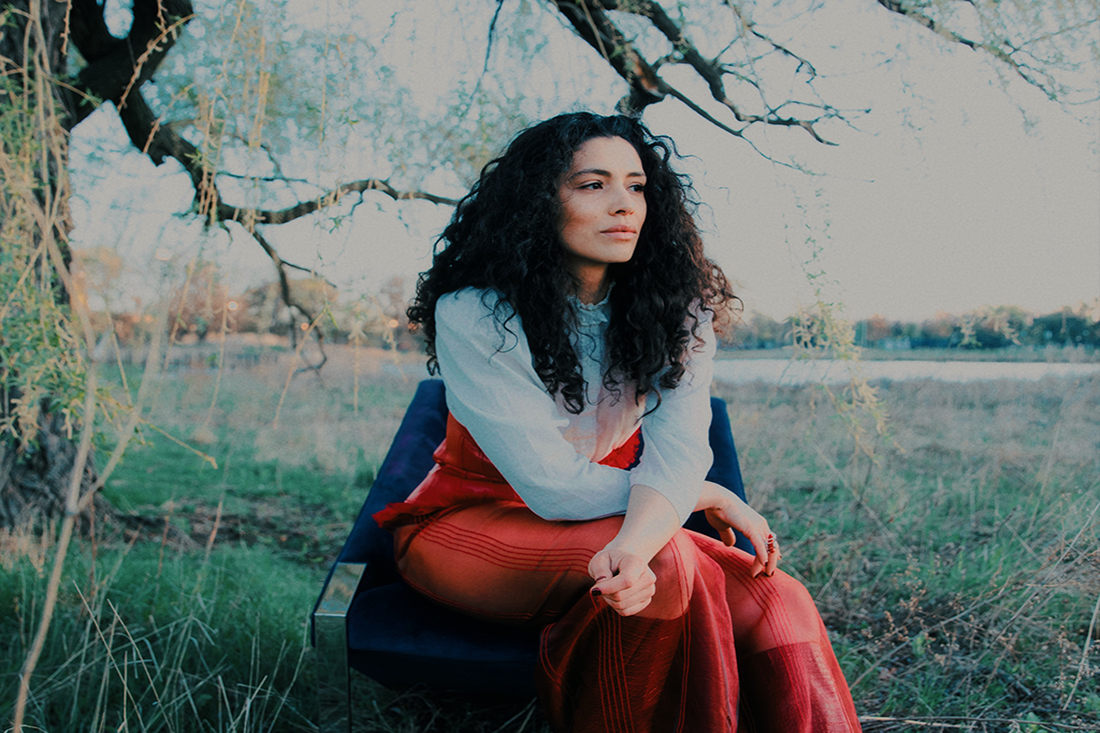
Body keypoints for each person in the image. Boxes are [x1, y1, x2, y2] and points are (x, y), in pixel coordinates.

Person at [374, 112, 862, 733]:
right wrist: (703, 496)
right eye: (592, 185)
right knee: (667, 566)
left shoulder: (677, 311)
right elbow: (550, 485)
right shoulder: (475, 312)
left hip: (612, 520)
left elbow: (681, 448)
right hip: (466, 526)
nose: (623, 205)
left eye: (636, 187)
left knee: (779, 599)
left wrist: (634, 542)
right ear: (536, 202)